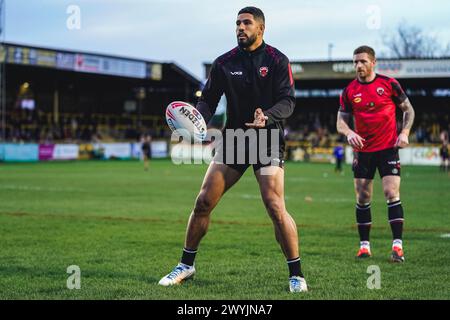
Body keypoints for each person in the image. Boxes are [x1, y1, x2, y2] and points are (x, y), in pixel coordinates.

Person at [158, 6, 307, 292]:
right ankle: (186, 265)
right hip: (235, 140)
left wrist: (268, 116)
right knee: (203, 202)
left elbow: (288, 101)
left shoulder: (278, 60)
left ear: (260, 28)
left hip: (267, 139)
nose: (240, 27)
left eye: (247, 23)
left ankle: (296, 274)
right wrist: (195, 120)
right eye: (237, 23)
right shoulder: (224, 63)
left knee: (275, 206)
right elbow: (208, 99)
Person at [336, 45, 415, 262]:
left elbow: (408, 109)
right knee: (363, 198)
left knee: (391, 193)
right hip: (363, 151)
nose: (358, 65)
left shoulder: (389, 84)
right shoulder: (349, 91)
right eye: (355, 62)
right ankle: (364, 246)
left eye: (362, 61)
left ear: (373, 62)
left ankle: (397, 247)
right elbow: (340, 122)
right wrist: (349, 131)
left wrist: (405, 132)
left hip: (388, 148)